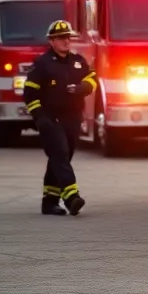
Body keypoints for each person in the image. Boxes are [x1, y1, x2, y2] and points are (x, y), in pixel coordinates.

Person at [23, 20, 96, 216]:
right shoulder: (42, 64)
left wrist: (82, 88)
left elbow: (92, 78)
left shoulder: (78, 61)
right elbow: (29, 92)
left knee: (61, 157)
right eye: (61, 38)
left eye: (68, 37)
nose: (66, 41)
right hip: (51, 119)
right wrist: (40, 117)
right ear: (51, 41)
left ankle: (49, 202)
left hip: (73, 118)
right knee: (60, 154)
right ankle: (71, 197)